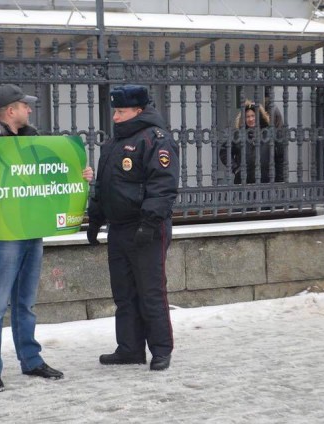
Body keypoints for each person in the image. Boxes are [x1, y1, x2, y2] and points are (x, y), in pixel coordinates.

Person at [0, 84, 93, 392]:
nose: (29, 110)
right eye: (25, 105)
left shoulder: (31, 139)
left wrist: (81, 175)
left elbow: (51, 176)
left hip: (30, 227)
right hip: (1, 231)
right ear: (10, 110)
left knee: (26, 301)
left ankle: (31, 360)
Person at [86, 85, 180, 371]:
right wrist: (95, 219)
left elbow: (162, 186)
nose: (115, 117)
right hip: (119, 228)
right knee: (124, 292)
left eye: (121, 111)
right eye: (115, 111)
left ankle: (161, 350)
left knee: (151, 291)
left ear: (138, 111)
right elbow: (104, 186)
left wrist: (150, 224)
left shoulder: (156, 140)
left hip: (146, 227)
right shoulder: (113, 144)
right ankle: (129, 348)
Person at [220, 100, 284, 184]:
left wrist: (279, 181)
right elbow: (225, 152)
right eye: (247, 116)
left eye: (253, 116)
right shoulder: (237, 134)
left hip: (267, 182)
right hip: (243, 183)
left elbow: (280, 157)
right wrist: (235, 168)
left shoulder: (270, 133)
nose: (250, 119)